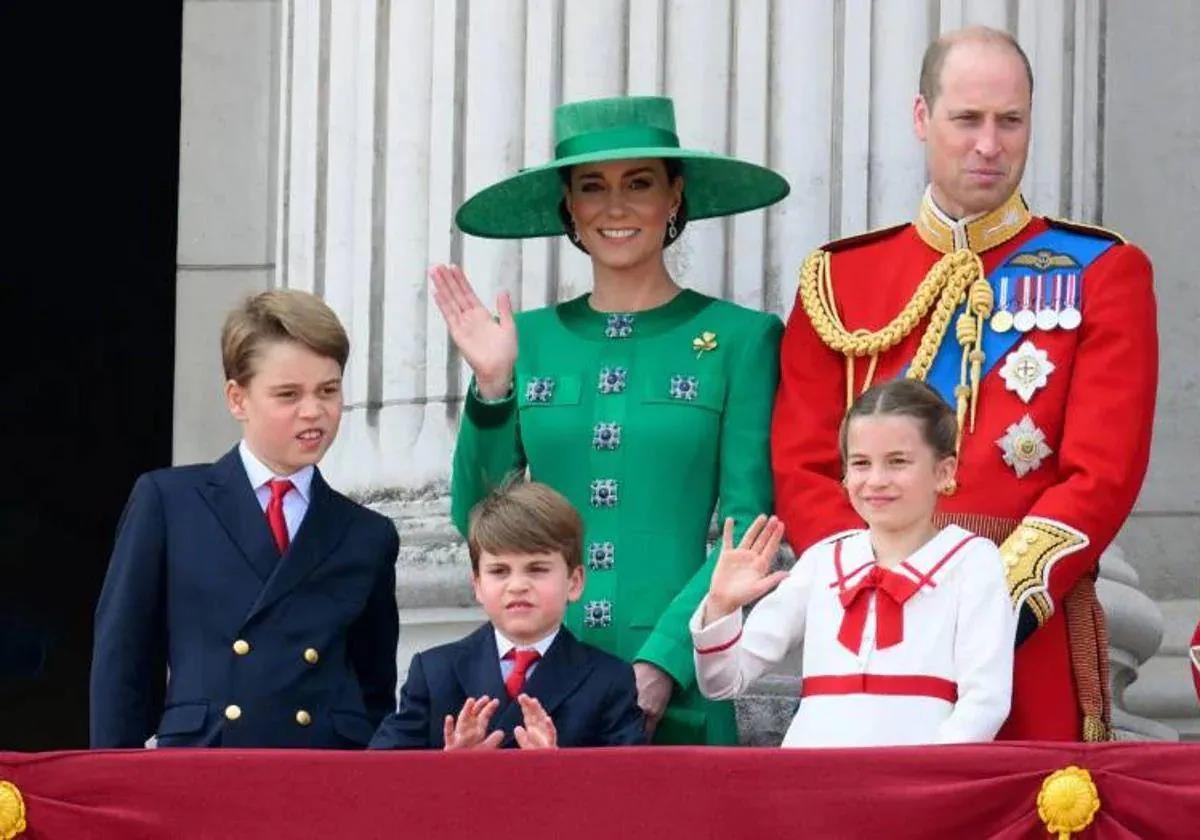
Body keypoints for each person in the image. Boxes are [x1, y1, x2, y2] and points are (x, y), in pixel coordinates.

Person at [771, 26, 1157, 741]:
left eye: (1010, 121)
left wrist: (974, 600)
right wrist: (877, 590)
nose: (989, 144)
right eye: (967, 120)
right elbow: (803, 466)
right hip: (871, 637)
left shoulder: (1103, 271)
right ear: (922, 118)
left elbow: (1101, 475)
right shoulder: (839, 280)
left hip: (1021, 633)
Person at [435, 95, 790, 744]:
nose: (616, 207)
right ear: (569, 206)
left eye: (640, 184)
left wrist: (662, 663)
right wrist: (491, 388)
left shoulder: (741, 339)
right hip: (541, 679)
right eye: (592, 187)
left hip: (678, 685)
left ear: (675, 197)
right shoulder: (526, 338)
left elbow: (748, 527)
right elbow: (478, 518)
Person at [90, 290, 400, 749]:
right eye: (288, 395)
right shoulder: (169, 502)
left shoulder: (367, 534)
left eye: (328, 390)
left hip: (322, 774)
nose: (313, 411)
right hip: (205, 764)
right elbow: (123, 666)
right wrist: (113, 793)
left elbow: (374, 691)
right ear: (238, 398)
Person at [694, 380, 1014, 747]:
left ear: (944, 471)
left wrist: (925, 781)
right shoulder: (823, 560)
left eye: (898, 462)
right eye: (861, 463)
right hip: (810, 780)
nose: (876, 480)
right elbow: (722, 682)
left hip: (915, 783)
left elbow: (985, 702)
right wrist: (721, 607)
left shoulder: (972, 560)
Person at [369, 481, 645, 749]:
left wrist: (559, 771)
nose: (517, 586)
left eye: (537, 569)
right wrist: (449, 768)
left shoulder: (609, 680)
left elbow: (631, 786)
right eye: (499, 571)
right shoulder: (434, 673)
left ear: (574, 582)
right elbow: (379, 777)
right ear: (477, 584)